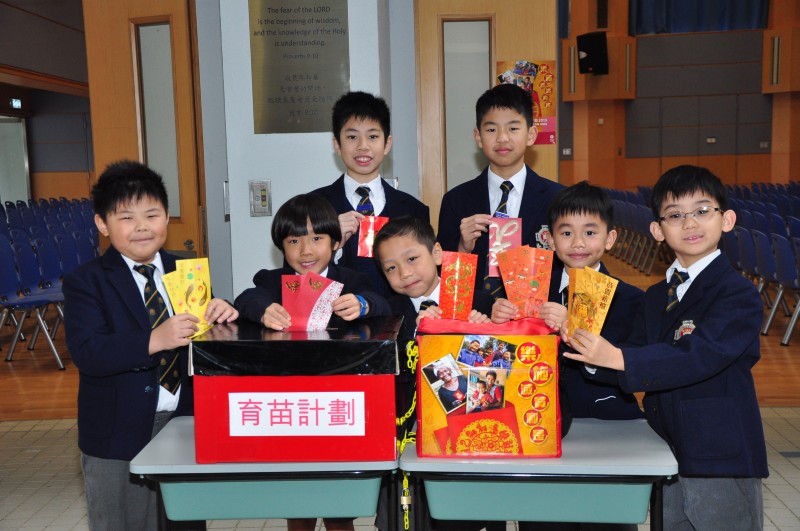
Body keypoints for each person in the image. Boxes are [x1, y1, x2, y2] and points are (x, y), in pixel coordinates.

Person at [562, 166, 768, 530]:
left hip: (720, 453)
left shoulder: (738, 293)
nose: (690, 223)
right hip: (665, 449)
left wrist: (617, 356)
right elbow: (634, 352)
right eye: (675, 215)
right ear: (657, 230)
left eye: (702, 210)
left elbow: (700, 356)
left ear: (727, 219)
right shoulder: (658, 295)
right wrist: (590, 354)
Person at [63, 160, 239, 530]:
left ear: (166, 216)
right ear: (102, 224)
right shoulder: (87, 281)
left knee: (183, 522)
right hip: (117, 433)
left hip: (184, 423)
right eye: (126, 217)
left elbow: (206, 348)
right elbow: (88, 352)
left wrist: (223, 318)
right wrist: (153, 340)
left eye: (152, 214)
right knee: (122, 522)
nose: (142, 227)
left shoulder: (187, 271)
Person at [495, 181, 644, 423]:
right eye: (566, 233)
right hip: (536, 416)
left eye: (590, 233)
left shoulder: (630, 299)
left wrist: (573, 326)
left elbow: (631, 369)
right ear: (550, 240)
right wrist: (500, 323)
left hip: (605, 417)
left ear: (609, 238)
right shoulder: (530, 288)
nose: (577, 243)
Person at [437, 83, 564, 301]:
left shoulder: (559, 199)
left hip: (539, 316)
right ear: (478, 137)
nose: (502, 138)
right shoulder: (455, 201)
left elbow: (572, 268)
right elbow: (444, 281)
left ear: (531, 135)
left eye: (513, 128)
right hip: (476, 315)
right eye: (491, 130)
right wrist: (462, 249)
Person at [312, 91, 430, 297]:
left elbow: (429, 277)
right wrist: (331, 245)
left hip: (399, 315)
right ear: (337, 144)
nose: (363, 146)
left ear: (387, 144)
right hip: (337, 315)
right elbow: (296, 280)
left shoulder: (414, 209)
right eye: (352, 137)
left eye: (373, 136)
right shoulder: (313, 208)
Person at [234, 193, 389, 335]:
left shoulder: (351, 280)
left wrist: (362, 304)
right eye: (294, 241)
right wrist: (264, 310)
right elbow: (246, 299)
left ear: (335, 243)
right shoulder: (273, 280)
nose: (306, 251)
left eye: (316, 239)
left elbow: (381, 304)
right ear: (282, 249)